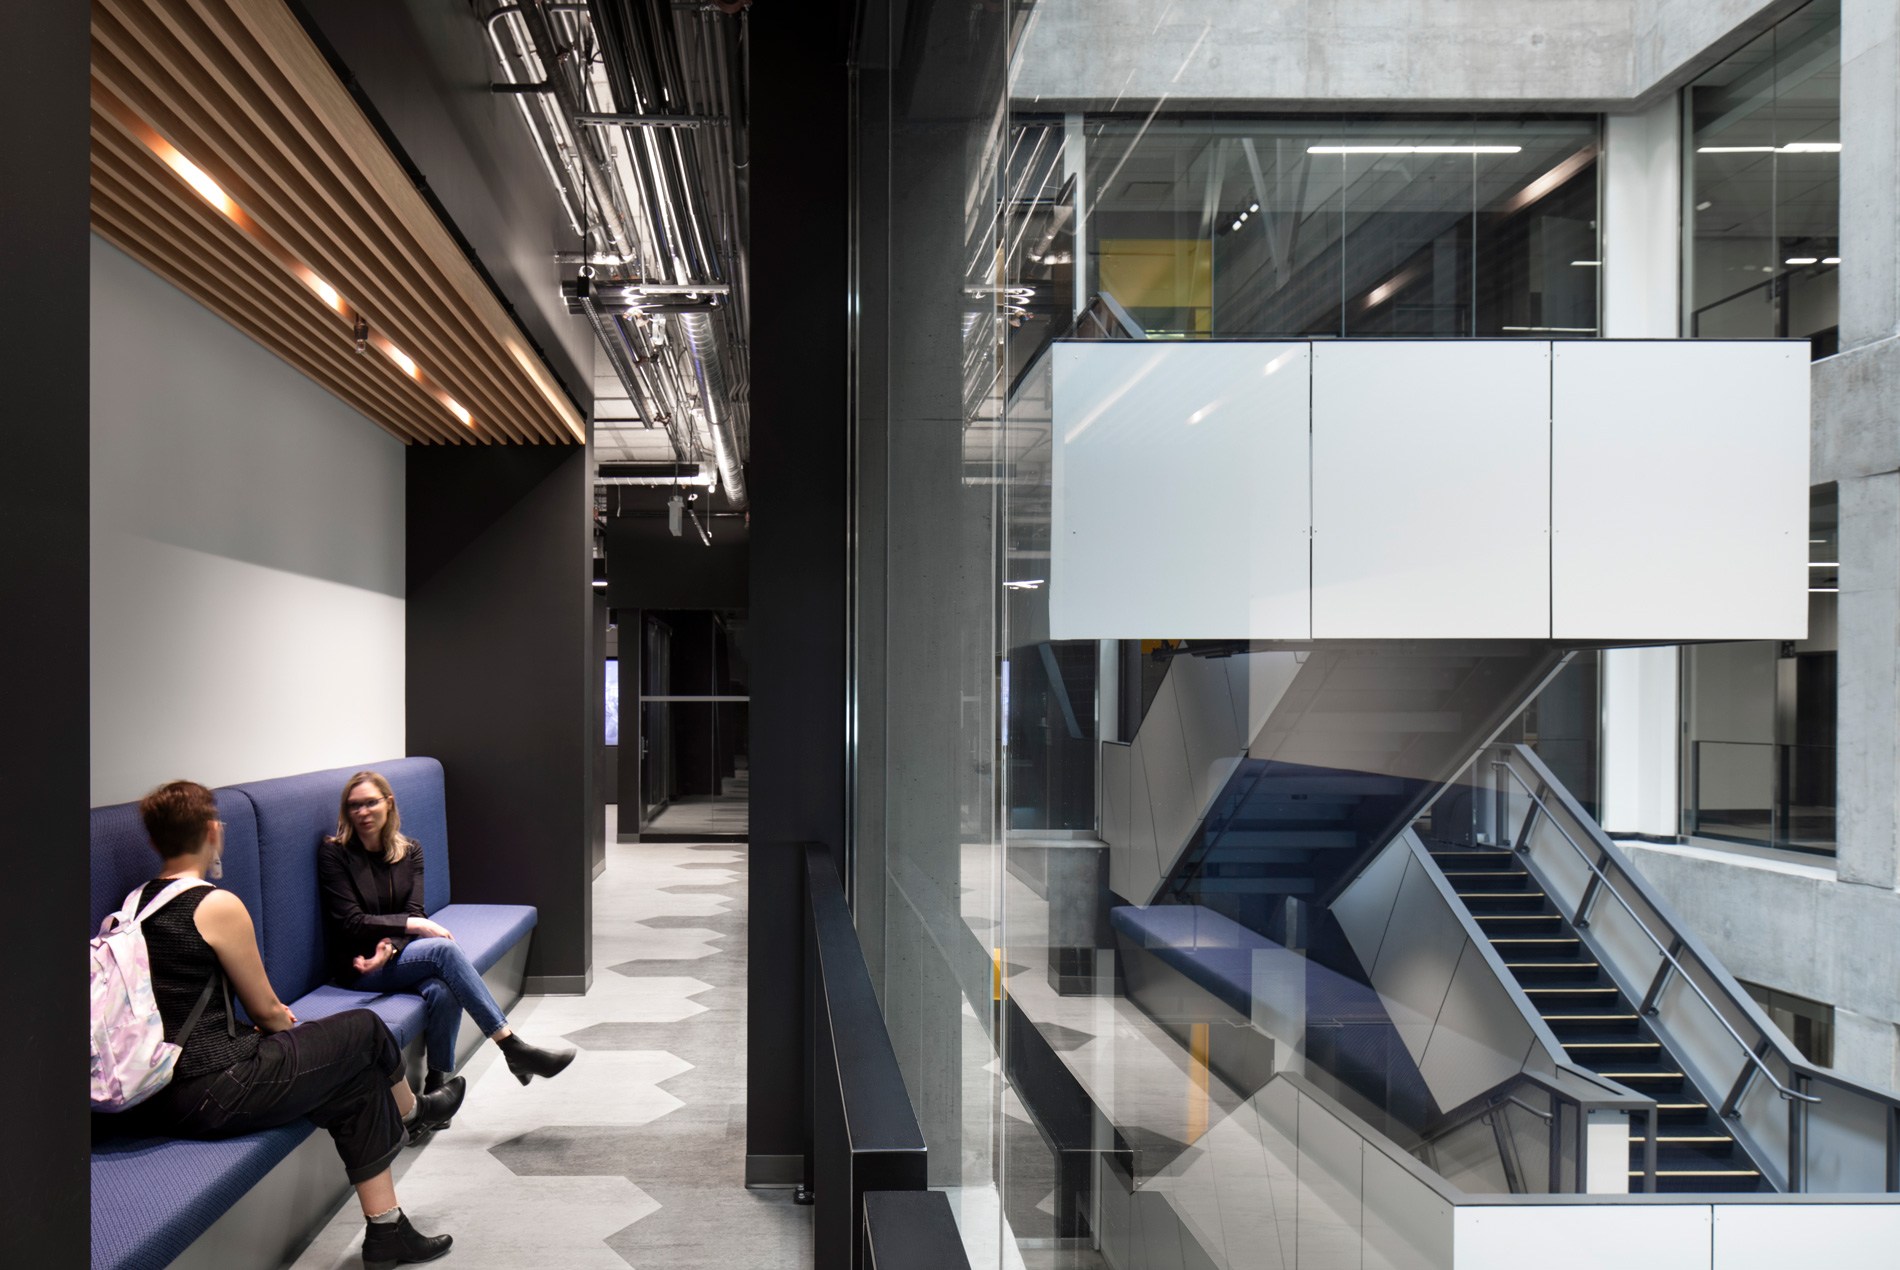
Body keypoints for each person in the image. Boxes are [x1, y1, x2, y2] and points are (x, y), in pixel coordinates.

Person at [120, 781, 460, 1268]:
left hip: (156, 1090)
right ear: (212, 830)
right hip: (214, 1086)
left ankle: (387, 1232)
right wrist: (292, 1028)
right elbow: (266, 1011)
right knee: (363, 1028)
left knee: (358, 1081)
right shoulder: (214, 904)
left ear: (155, 841)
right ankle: (412, 1112)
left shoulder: (135, 904)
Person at [317, 770, 572, 1132]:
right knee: (444, 953)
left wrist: (391, 945)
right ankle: (512, 1048)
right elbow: (350, 921)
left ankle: (435, 1089)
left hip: (392, 958)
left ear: (388, 804)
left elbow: (414, 910)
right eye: (353, 805)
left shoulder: (409, 851)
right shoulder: (334, 853)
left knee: (443, 987)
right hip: (357, 968)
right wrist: (412, 929)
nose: (362, 812)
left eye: (371, 802)